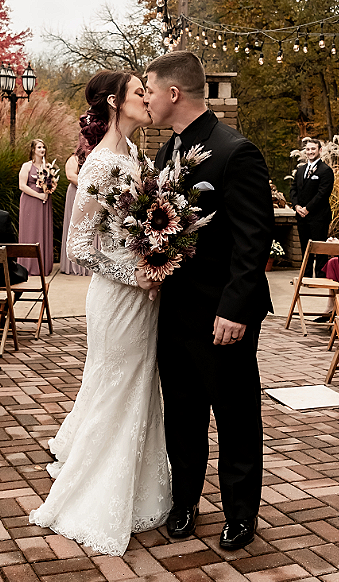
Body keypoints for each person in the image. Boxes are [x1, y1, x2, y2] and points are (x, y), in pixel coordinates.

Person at [29, 70, 171, 556]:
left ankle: (139, 489)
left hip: (143, 294)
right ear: (115, 101)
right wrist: (136, 274)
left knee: (138, 383)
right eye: (138, 92)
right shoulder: (100, 165)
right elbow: (80, 246)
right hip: (117, 297)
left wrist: (157, 257)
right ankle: (95, 494)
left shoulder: (135, 156)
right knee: (118, 383)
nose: (146, 99)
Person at [144, 51, 274, 551]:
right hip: (174, 311)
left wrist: (235, 309)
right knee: (182, 413)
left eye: (151, 90)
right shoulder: (163, 155)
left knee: (237, 415)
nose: (147, 99)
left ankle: (242, 513)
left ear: (173, 93)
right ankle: (184, 502)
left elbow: (252, 238)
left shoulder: (235, 151)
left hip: (223, 315)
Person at [290, 139, 334, 277]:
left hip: (318, 217)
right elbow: (293, 190)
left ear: (320, 150)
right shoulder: (300, 170)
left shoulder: (326, 171)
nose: (310, 152)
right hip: (302, 217)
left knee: (319, 248)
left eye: (313, 149)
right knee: (305, 247)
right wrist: (297, 206)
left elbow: (322, 194)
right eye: (308, 149)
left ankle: (320, 276)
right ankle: (306, 275)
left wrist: (307, 208)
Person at [59, 154, 100, 275]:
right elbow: (71, 176)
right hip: (77, 193)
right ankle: (75, 265)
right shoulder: (74, 158)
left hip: (94, 196)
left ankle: (92, 265)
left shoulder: (98, 156)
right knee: (77, 225)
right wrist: (91, 186)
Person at [18, 139, 54, 276]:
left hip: (45, 202)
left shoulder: (48, 166)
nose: (42, 149)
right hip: (30, 201)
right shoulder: (27, 166)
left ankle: (43, 266)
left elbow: (50, 183)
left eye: (44, 147)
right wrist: (38, 196)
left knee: (42, 230)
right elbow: (22, 186)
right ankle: (27, 266)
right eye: (39, 147)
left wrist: (47, 191)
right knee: (31, 230)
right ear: (33, 149)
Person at [0, 209, 28, 287]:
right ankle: (11, 299)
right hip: (2, 275)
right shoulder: (3, 216)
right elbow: (13, 247)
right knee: (22, 272)